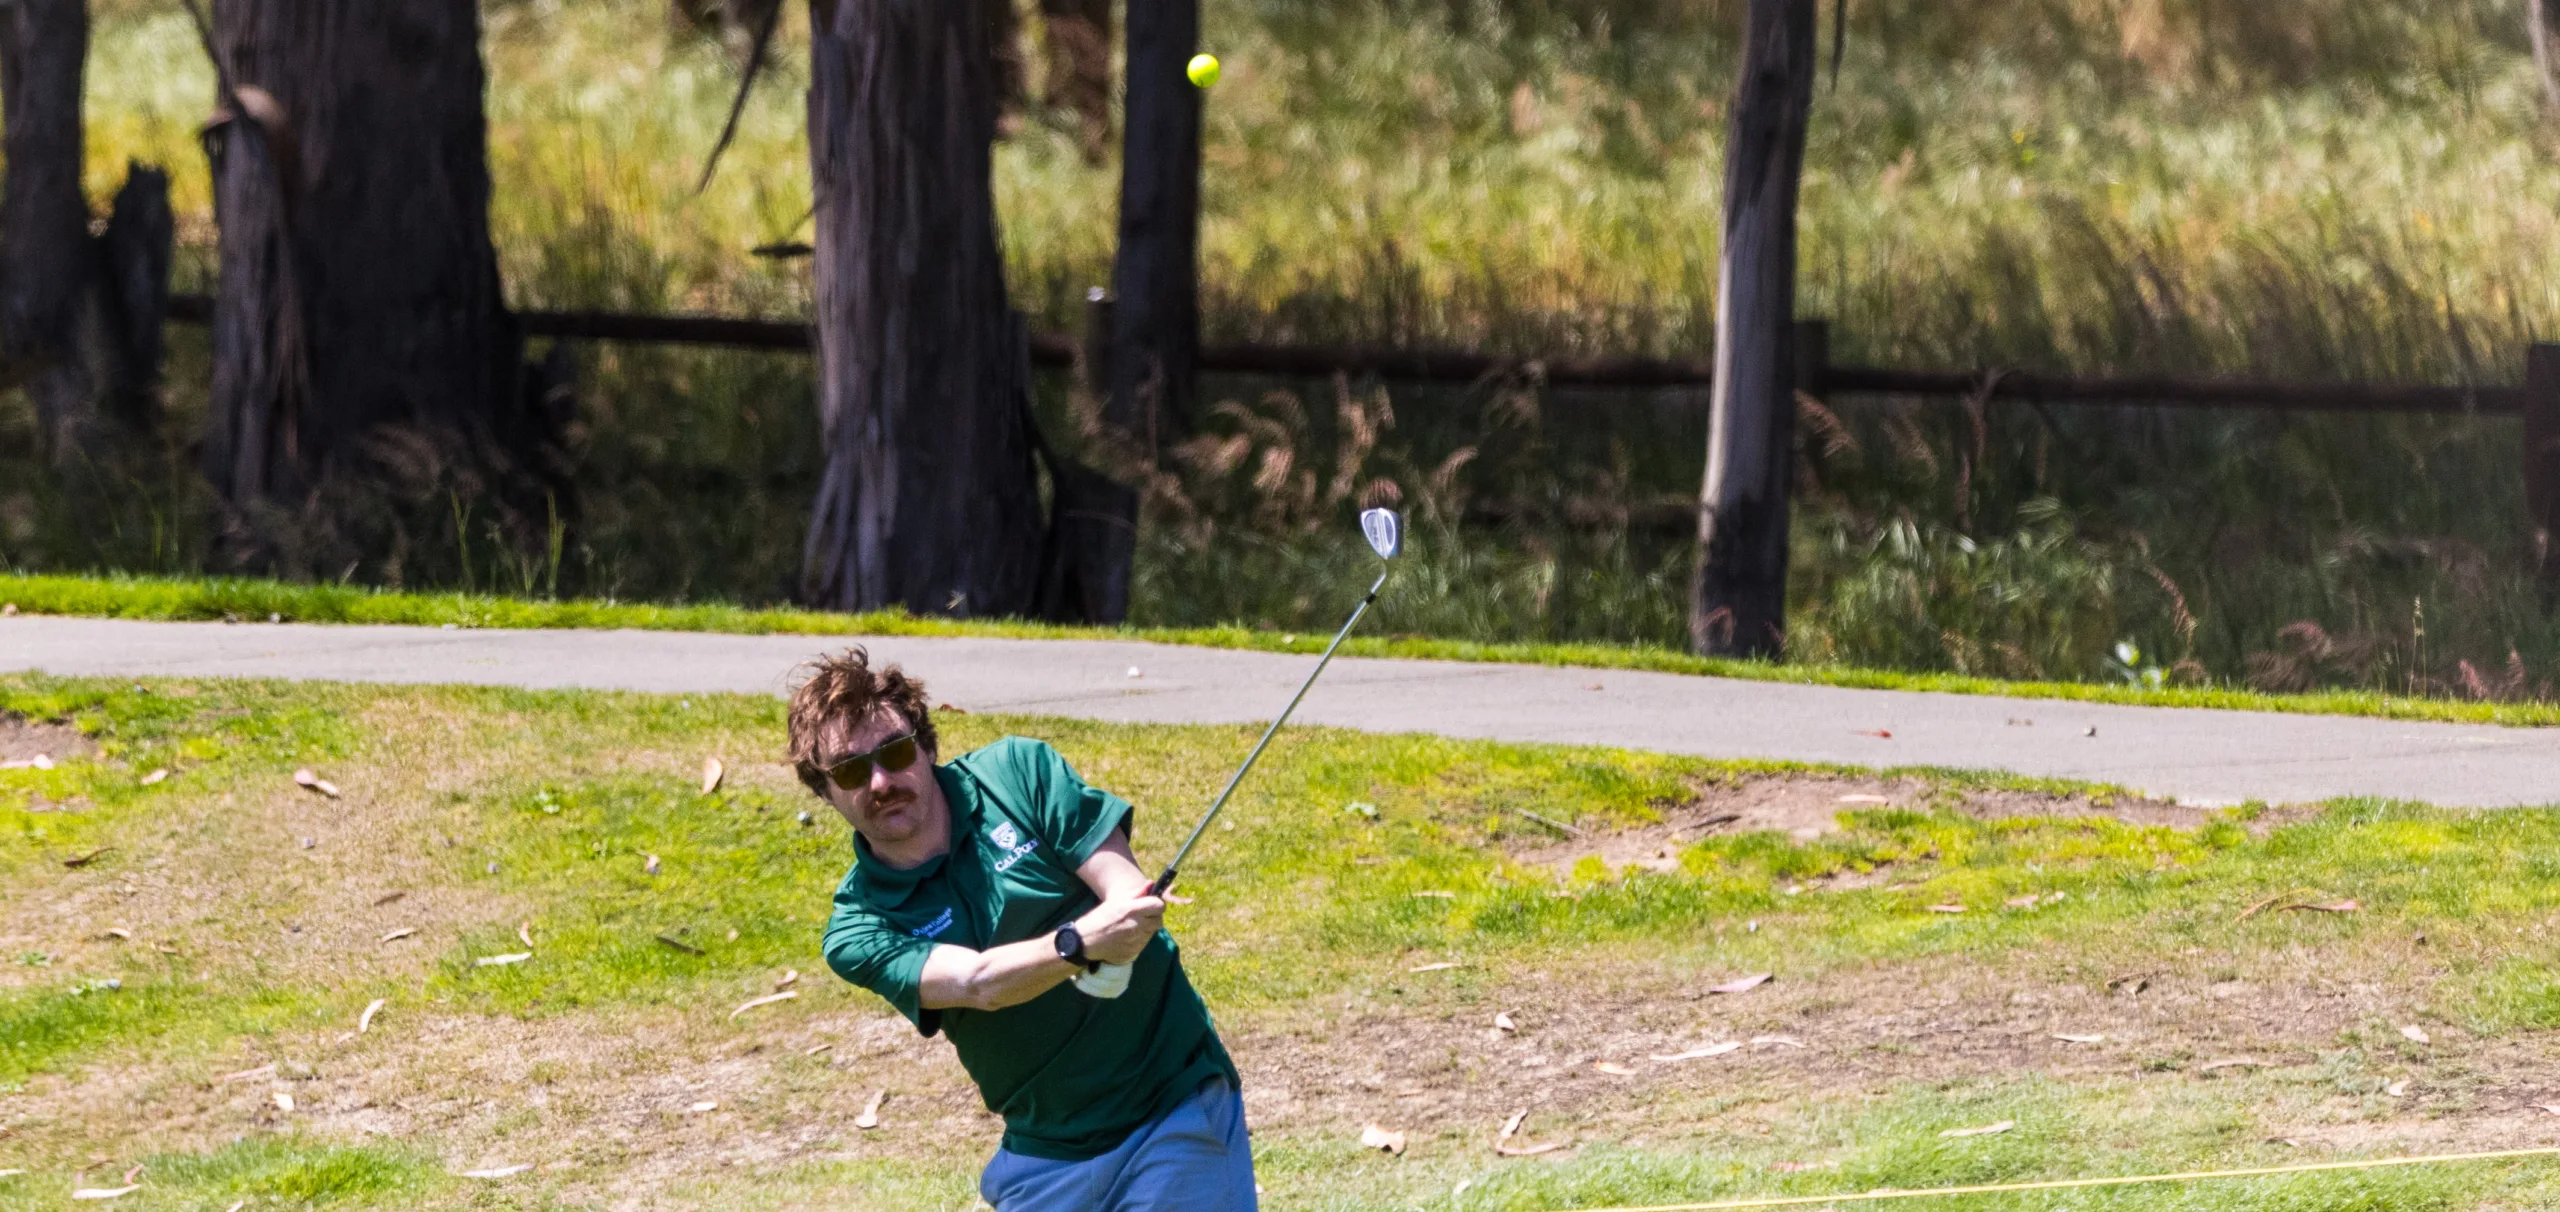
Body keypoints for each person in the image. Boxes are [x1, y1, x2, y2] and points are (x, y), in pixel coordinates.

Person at [790, 648, 1256, 1211]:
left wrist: (1129, 918)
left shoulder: (1018, 774)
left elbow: (1122, 886)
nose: (883, 780)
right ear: (825, 791)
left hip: (1170, 1107)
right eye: (850, 769)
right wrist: (1078, 945)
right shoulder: (858, 926)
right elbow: (977, 984)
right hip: (1046, 1155)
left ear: (927, 745)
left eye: (895, 751)